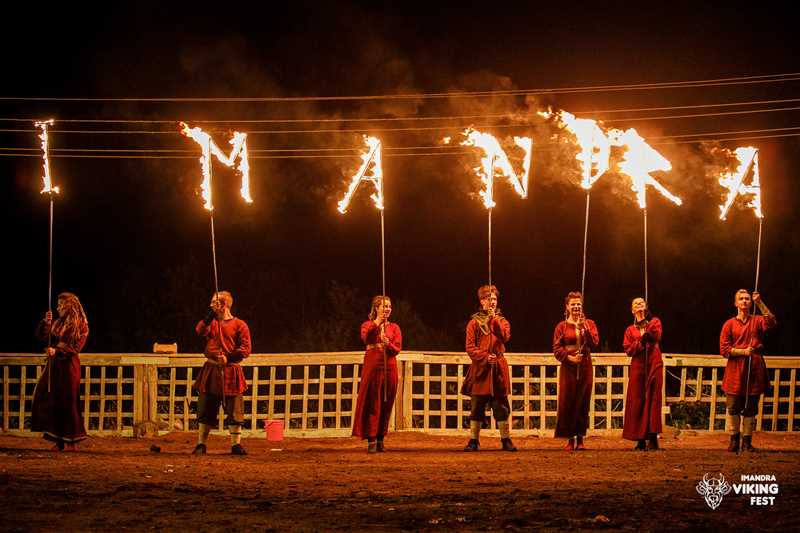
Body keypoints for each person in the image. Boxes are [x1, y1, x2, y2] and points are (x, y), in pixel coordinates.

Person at [192, 291, 252, 455]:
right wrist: (211, 314)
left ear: (224, 304)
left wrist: (228, 357)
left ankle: (235, 445)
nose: (211, 305)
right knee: (206, 407)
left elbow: (246, 350)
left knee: (234, 408)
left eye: (214, 302)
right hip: (211, 370)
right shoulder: (211, 323)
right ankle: (201, 444)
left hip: (231, 369)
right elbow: (199, 330)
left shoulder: (240, 325)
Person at [31, 292, 89, 451]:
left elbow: (76, 348)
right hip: (55, 366)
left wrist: (57, 351)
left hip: (68, 367)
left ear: (69, 306)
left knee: (68, 402)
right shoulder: (57, 323)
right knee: (53, 401)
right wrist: (46, 322)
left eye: (61, 304)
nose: (58, 307)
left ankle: (71, 441)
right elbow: (42, 336)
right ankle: (59, 440)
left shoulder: (81, 325)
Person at [720, 289, 776, 452]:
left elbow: (771, 322)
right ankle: (734, 440)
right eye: (741, 299)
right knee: (733, 406)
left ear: (750, 303)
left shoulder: (757, 320)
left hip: (754, 367)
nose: (744, 301)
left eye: (747, 299)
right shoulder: (729, 324)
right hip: (735, 368)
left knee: (751, 406)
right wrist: (742, 352)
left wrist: (760, 302)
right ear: (735, 303)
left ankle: (747, 441)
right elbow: (724, 350)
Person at [462, 285, 516, 452]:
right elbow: (470, 348)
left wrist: (494, 321)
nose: (492, 302)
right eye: (488, 299)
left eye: (494, 299)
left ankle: (505, 439)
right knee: (477, 406)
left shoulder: (503, 321)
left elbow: (504, 337)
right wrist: (485, 357)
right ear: (482, 301)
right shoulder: (473, 323)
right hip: (480, 369)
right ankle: (474, 440)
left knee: (501, 405)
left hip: (497, 369)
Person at [352, 296, 402, 453]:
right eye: (384, 306)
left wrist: (389, 344)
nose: (387, 309)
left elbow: (397, 349)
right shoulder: (367, 324)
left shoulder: (394, 327)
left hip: (390, 367)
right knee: (373, 401)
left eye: (389, 306)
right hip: (373, 366)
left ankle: (381, 437)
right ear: (376, 308)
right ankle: (371, 438)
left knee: (387, 402)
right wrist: (377, 322)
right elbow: (366, 338)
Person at [553, 291, 598, 451]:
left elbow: (594, 343)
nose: (576, 307)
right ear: (567, 306)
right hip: (569, 368)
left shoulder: (589, 323)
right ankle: (570, 439)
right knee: (569, 401)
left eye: (578, 304)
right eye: (573, 304)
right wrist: (570, 358)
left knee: (582, 400)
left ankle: (580, 439)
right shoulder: (562, 326)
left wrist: (584, 328)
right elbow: (557, 348)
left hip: (585, 366)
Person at [622, 297, 664, 451]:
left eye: (641, 302)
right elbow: (628, 349)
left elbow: (656, 336)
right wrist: (640, 342)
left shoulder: (654, 322)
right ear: (632, 310)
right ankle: (639, 438)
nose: (639, 304)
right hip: (638, 367)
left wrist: (649, 333)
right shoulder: (629, 330)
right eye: (635, 304)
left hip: (653, 363)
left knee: (653, 399)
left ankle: (652, 437)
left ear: (646, 307)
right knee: (637, 399)